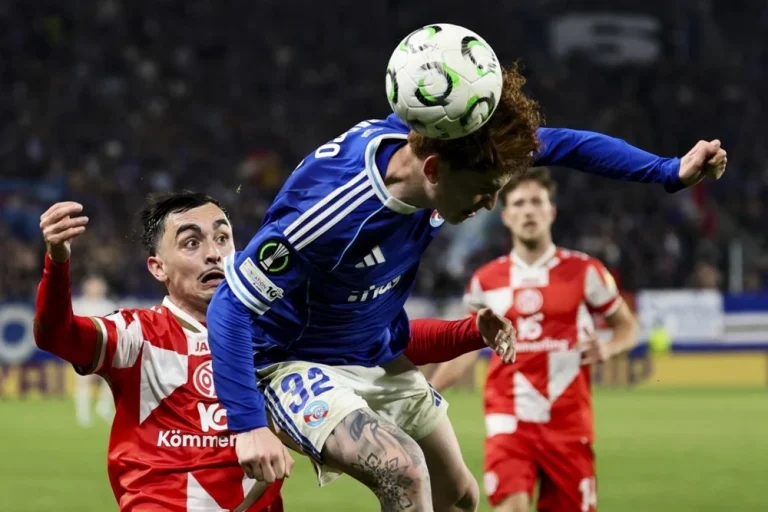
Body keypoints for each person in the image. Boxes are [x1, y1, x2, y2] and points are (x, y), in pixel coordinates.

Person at [206, 65, 727, 512]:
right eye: (483, 192)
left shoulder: (452, 139)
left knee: (459, 497)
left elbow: (567, 144)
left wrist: (668, 170)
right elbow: (230, 307)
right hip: (289, 363)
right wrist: (247, 424)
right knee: (404, 469)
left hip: (370, 353)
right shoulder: (332, 213)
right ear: (434, 171)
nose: (489, 205)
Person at [33, 192, 514, 512]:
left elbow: (380, 340)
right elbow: (57, 335)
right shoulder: (138, 334)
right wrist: (57, 261)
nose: (214, 253)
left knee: (456, 492)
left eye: (223, 237)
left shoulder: (276, 324)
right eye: (192, 242)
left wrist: (471, 332)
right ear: (158, 267)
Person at [429, 167, 641, 512]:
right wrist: (430, 392)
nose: (528, 211)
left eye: (536, 202)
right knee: (510, 506)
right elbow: (466, 348)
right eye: (519, 203)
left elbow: (627, 327)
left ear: (551, 211)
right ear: (506, 215)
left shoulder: (585, 271)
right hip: (509, 420)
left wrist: (607, 347)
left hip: (568, 423)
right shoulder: (486, 281)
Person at [72, 274, 116, 427]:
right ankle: (83, 414)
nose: (96, 289)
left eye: (99, 286)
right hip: (83, 349)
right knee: (83, 382)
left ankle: (104, 407)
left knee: (112, 380)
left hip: (104, 349)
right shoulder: (78, 305)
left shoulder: (109, 306)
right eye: (93, 285)